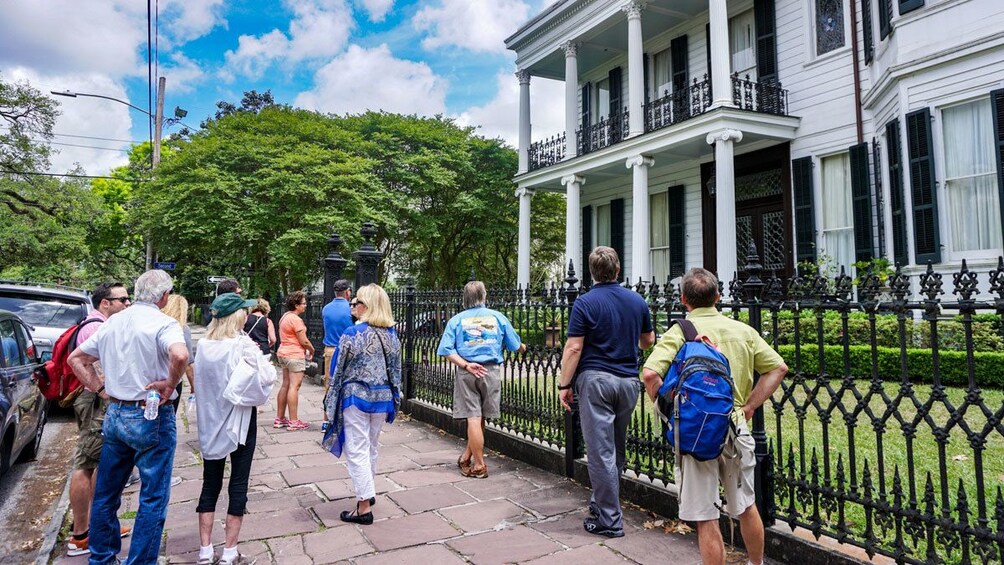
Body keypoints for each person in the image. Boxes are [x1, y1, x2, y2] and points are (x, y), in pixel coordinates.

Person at [641, 268, 788, 565]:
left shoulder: (680, 331)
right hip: (734, 425)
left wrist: (670, 411)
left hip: (695, 432)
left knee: (706, 517)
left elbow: (649, 374)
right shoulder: (743, 331)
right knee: (746, 506)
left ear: (684, 299)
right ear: (718, 297)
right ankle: (755, 563)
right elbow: (778, 368)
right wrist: (749, 407)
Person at [67, 269, 189, 565]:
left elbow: (76, 359)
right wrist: (170, 385)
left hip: (116, 413)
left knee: (107, 493)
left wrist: (100, 388)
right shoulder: (164, 322)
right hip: (150, 415)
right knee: (152, 496)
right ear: (164, 296)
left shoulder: (113, 322)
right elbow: (181, 355)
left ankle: (102, 558)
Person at [557, 246, 655, 538]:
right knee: (615, 448)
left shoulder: (585, 303)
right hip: (627, 382)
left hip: (596, 381)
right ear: (618, 269)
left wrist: (564, 385)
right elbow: (648, 340)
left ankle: (610, 521)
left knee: (600, 453)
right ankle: (601, 504)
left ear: (592, 272)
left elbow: (574, 347)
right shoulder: (636, 300)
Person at [194, 293, 275, 565]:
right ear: (235, 316)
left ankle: (205, 551)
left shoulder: (203, 345)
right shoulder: (242, 346)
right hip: (239, 422)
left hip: (209, 421)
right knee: (238, 484)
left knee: (210, 484)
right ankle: (229, 552)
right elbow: (266, 376)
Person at [322, 284, 401, 525]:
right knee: (371, 446)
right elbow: (395, 371)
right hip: (382, 398)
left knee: (356, 448)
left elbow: (337, 369)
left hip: (355, 397)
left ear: (366, 306)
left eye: (356, 303)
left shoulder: (352, 334)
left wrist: (329, 400)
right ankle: (368, 490)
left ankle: (364, 506)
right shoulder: (392, 335)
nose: (352, 306)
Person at [66, 282, 132, 557]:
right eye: (123, 300)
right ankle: (80, 535)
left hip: (93, 400)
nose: (128, 304)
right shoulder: (98, 327)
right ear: (105, 303)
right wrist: (103, 390)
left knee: (95, 463)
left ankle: (95, 525)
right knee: (86, 463)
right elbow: (78, 361)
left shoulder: (97, 323)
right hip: (95, 402)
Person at [437, 281, 525, 479]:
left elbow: (446, 350)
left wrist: (466, 365)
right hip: (490, 371)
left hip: (467, 371)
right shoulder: (497, 317)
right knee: (479, 417)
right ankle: (478, 464)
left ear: (465, 299)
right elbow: (514, 344)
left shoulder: (456, 320)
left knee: (475, 417)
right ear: (484, 296)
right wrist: (522, 348)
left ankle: (472, 460)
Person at [275, 290, 314, 430]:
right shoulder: (296, 320)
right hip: (294, 355)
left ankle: (279, 419)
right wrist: (311, 349)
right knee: (294, 386)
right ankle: (293, 421)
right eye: (303, 303)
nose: (305, 306)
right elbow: (303, 341)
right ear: (296, 305)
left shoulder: (284, 317)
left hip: (283, 354)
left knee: (285, 384)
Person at [162, 294, 196, 412]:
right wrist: (193, 386)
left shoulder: (155, 325)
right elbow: (187, 361)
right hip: (172, 381)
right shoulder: (181, 328)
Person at [321, 280, 353, 392]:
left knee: (329, 385)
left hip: (330, 350)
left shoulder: (326, 309)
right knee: (347, 385)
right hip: (348, 350)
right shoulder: (351, 309)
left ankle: (328, 409)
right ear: (347, 293)